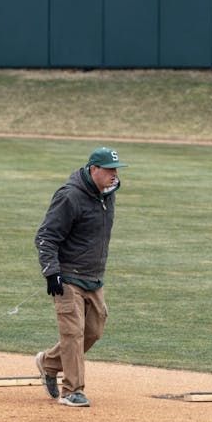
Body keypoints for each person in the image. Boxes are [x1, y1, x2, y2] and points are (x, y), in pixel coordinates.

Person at [34, 147, 127, 407]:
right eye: (109, 170)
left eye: (116, 170)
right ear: (93, 169)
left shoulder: (107, 195)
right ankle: (73, 391)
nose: (114, 175)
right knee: (73, 333)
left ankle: (48, 362)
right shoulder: (70, 197)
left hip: (94, 277)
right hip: (67, 277)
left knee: (94, 331)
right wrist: (52, 272)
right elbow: (46, 237)